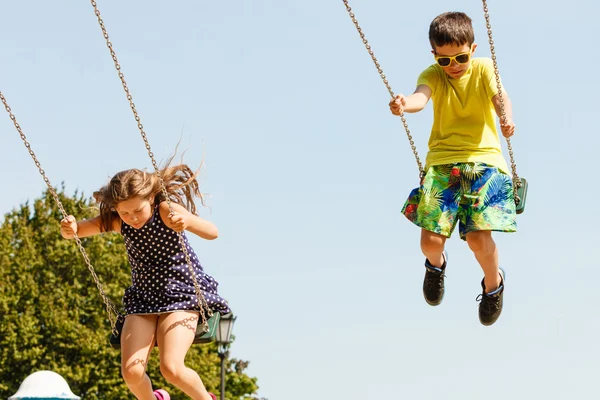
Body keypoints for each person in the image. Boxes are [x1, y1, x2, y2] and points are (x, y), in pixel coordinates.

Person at [389, 11, 517, 326]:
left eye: (460, 58)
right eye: (445, 61)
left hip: (484, 160)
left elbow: (500, 97)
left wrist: (505, 116)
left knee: (477, 238)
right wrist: (405, 104)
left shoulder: (484, 67)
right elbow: (422, 97)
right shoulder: (433, 74)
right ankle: (436, 267)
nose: (454, 66)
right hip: (443, 162)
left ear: (472, 50)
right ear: (435, 56)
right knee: (429, 242)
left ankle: (493, 284)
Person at [60, 161, 227, 400]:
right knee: (132, 372)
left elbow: (213, 232)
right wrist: (69, 228)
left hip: (182, 294)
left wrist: (187, 222)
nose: (132, 218)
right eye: (124, 212)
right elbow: (77, 231)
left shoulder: (166, 210)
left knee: (171, 368)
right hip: (144, 299)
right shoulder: (119, 221)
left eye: (137, 211)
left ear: (150, 199)